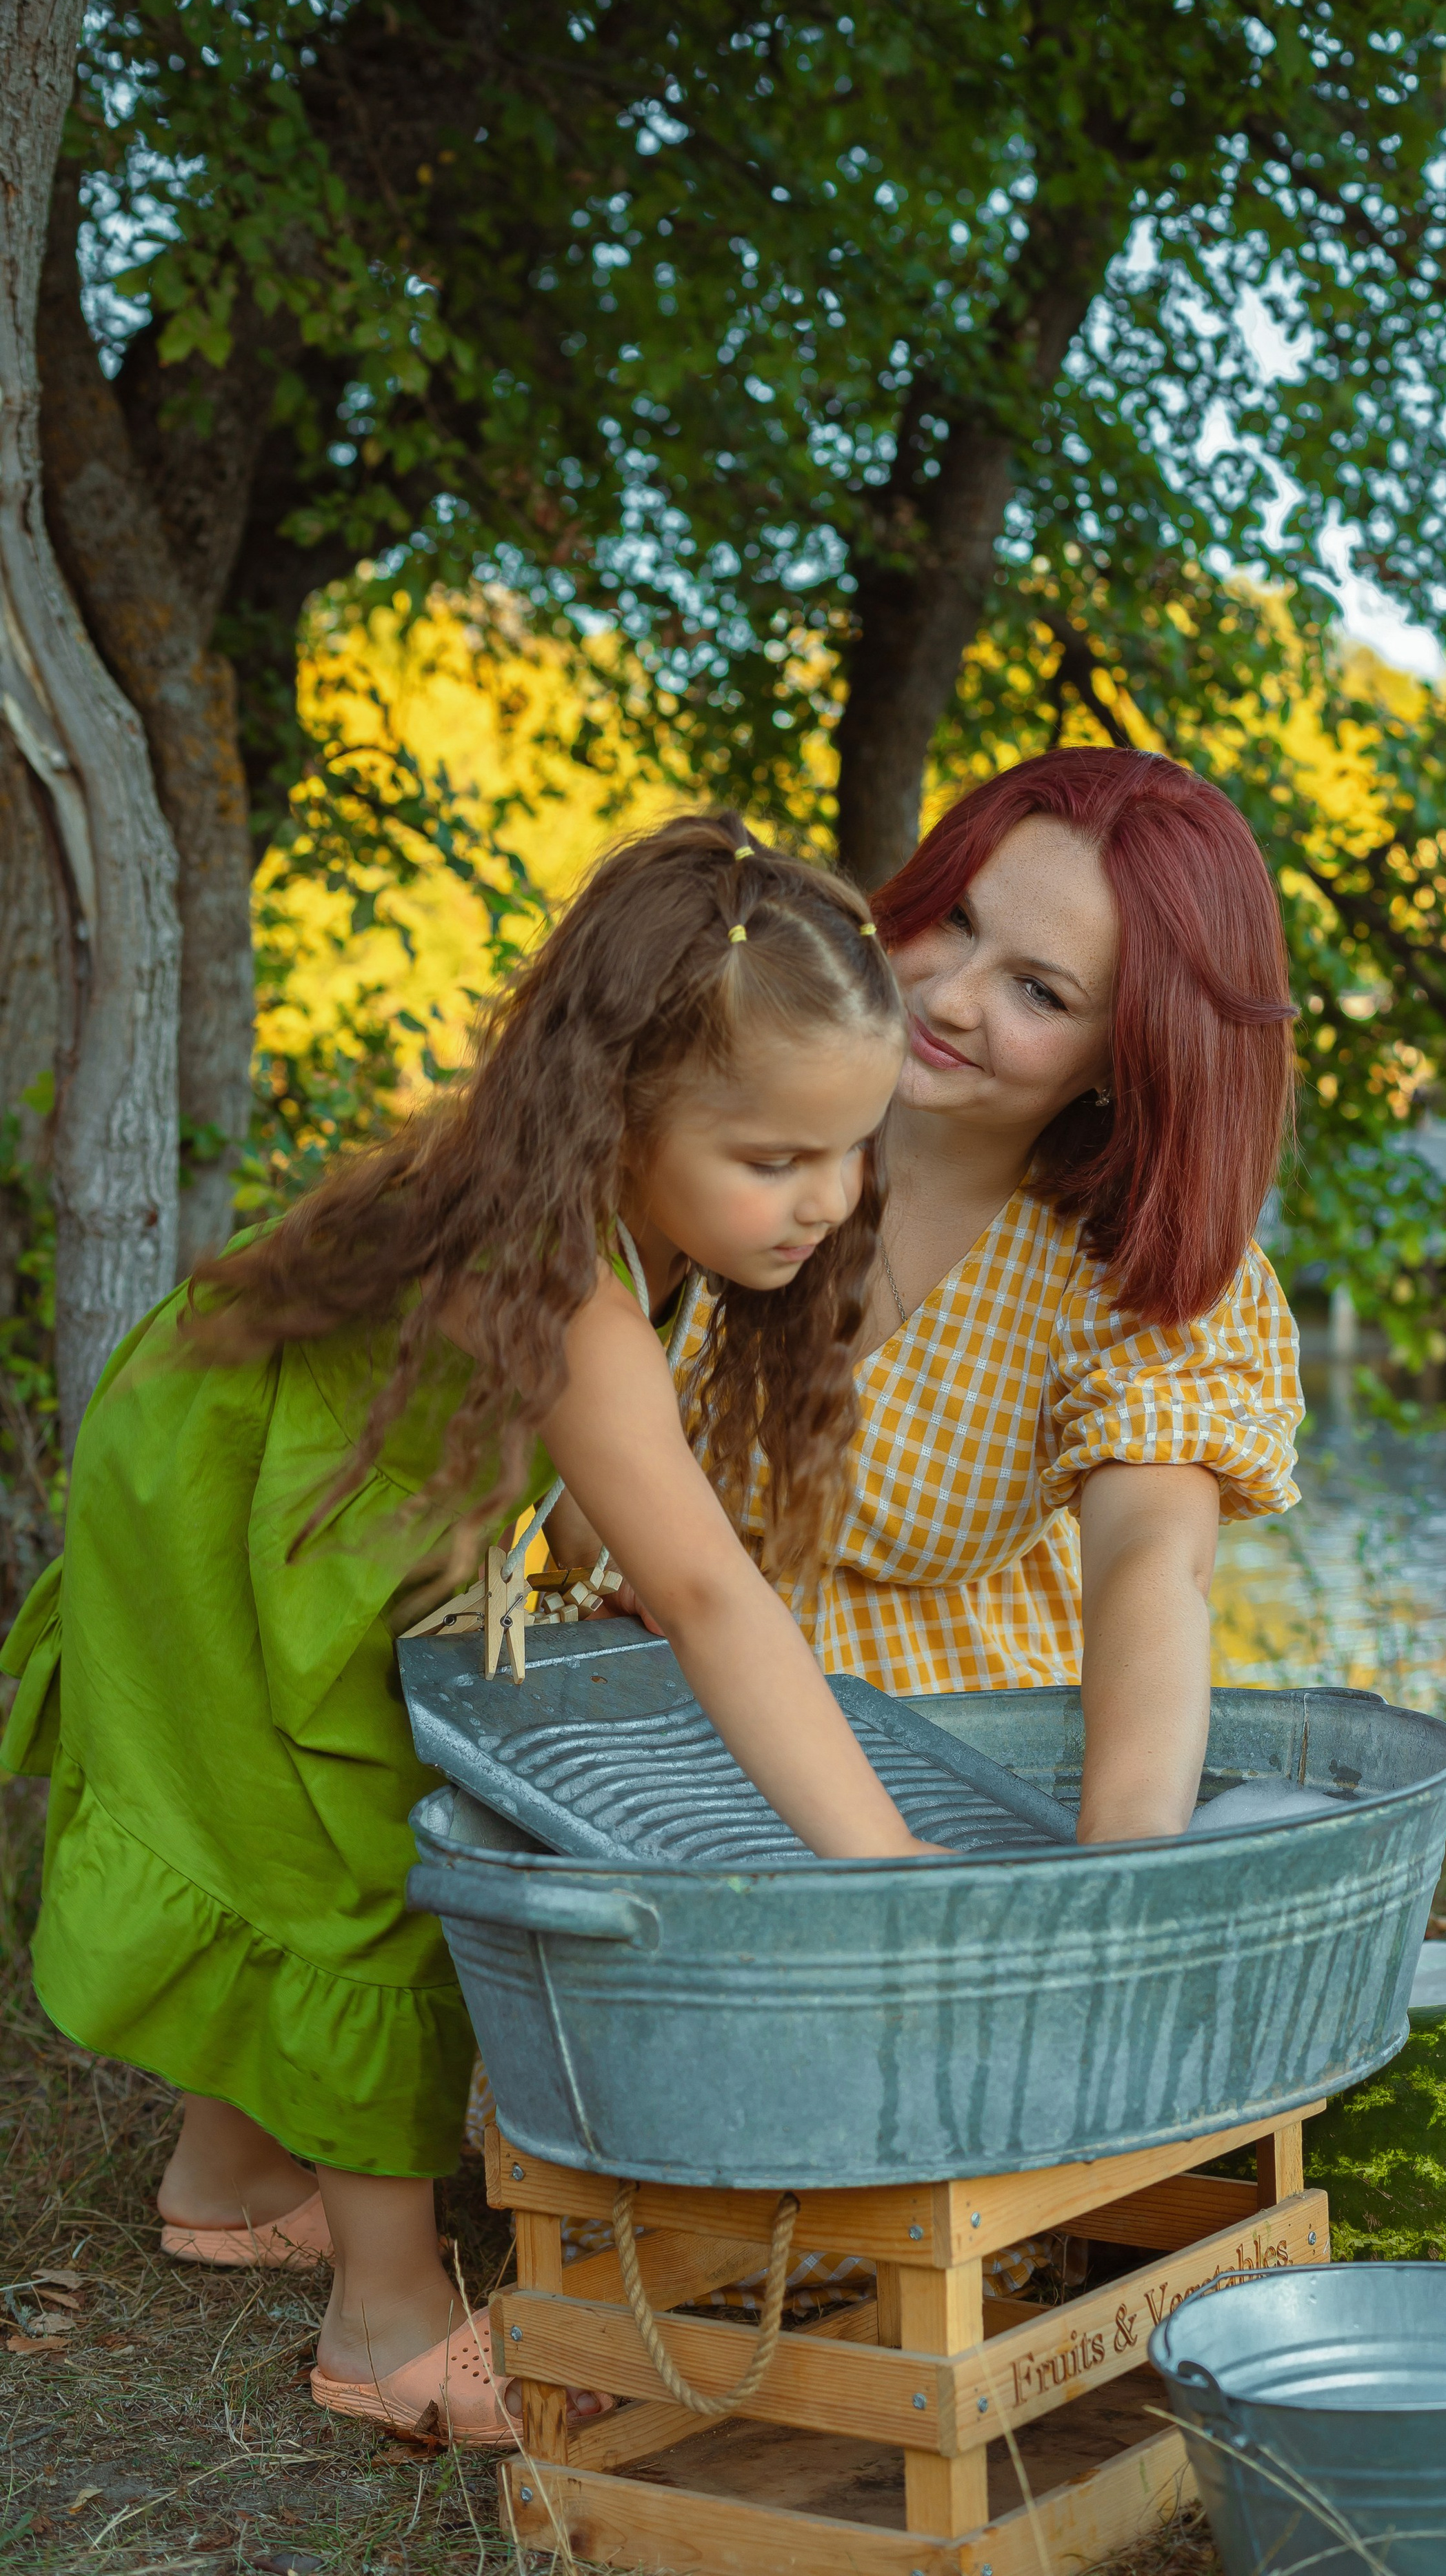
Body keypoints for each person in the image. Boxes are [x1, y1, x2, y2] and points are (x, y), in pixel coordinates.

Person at [0, 812, 922, 2447]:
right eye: (774, 1161)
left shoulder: (589, 1204)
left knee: (277, 1811)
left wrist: (578, 1547)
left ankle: (229, 2180)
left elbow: (562, 1454)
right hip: (229, 1518)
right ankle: (388, 2322)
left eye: (852, 1151)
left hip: (223, 1461)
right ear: (624, 1107)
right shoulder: (560, 1269)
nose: (823, 1201)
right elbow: (715, 1596)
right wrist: (891, 1879)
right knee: (353, 1849)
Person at [581, 750, 1302, 1844]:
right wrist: (599, 1547)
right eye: (956, 919)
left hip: (957, 1787)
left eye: (1038, 992)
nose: (950, 996)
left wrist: (1126, 1877)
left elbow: (1152, 1564)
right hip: (654, 1767)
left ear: (1126, 1053)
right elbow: (550, 1396)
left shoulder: (1126, 1264)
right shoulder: (709, 1115)